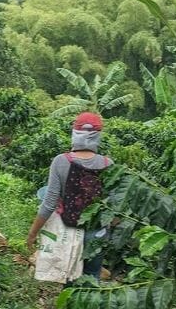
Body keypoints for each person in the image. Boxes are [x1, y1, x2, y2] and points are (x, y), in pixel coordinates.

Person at [26, 112, 113, 278]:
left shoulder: (61, 161)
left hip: (69, 233)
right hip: (97, 233)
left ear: (75, 133)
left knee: (69, 276)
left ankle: (69, 304)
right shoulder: (108, 164)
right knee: (92, 277)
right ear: (98, 136)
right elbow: (114, 207)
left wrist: (33, 233)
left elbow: (49, 203)